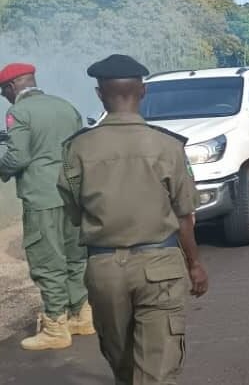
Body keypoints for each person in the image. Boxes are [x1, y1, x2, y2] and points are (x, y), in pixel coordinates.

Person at [57, 54, 209, 383]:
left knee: (121, 363)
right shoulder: (168, 145)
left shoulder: (77, 148)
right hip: (160, 267)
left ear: (99, 95)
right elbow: (185, 214)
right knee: (157, 368)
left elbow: (73, 212)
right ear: (143, 91)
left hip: (104, 269)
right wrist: (194, 264)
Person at [0, 63, 92, 351]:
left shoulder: (18, 112)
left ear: (11, 87)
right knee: (75, 257)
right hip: (73, 193)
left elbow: (18, 157)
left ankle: (55, 327)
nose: (4, 98)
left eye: (3, 92)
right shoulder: (66, 106)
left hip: (42, 197)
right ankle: (81, 315)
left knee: (47, 261)